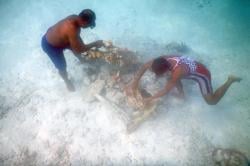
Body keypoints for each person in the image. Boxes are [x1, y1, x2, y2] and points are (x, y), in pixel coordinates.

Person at [125, 55, 242, 105]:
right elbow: (145, 66)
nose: (156, 76)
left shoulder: (177, 71)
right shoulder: (161, 60)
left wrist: (149, 99)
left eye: (158, 74)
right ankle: (182, 95)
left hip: (202, 74)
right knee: (172, 78)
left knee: (211, 102)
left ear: (166, 69)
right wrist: (134, 84)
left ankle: (230, 80)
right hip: (189, 68)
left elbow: (166, 90)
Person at [41, 9, 104, 91]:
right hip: (51, 46)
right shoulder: (71, 29)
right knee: (62, 66)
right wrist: (95, 44)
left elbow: (76, 38)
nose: (88, 27)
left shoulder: (75, 18)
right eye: (89, 25)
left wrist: (82, 45)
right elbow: (79, 49)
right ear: (84, 22)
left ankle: (83, 62)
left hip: (60, 38)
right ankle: (67, 81)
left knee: (77, 50)